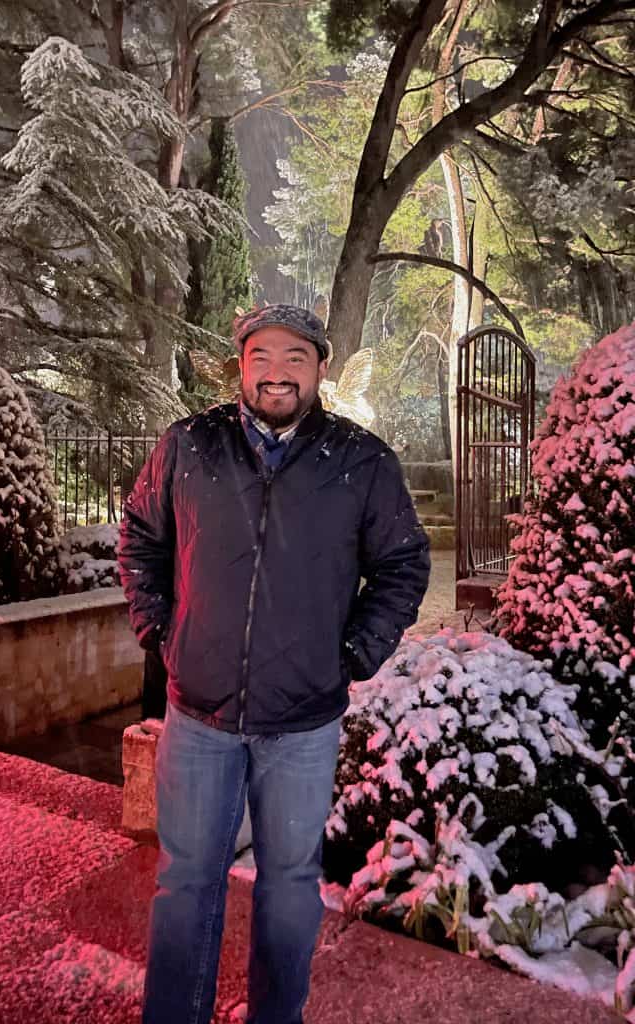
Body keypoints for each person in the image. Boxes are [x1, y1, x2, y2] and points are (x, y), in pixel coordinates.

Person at [118, 303, 430, 1024]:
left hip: (303, 724)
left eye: (295, 357)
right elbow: (139, 537)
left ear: (320, 368)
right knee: (185, 884)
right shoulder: (188, 446)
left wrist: (352, 653)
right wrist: (161, 631)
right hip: (198, 716)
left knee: (289, 887)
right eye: (261, 356)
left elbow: (403, 565)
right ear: (242, 366)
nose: (277, 372)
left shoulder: (361, 462)